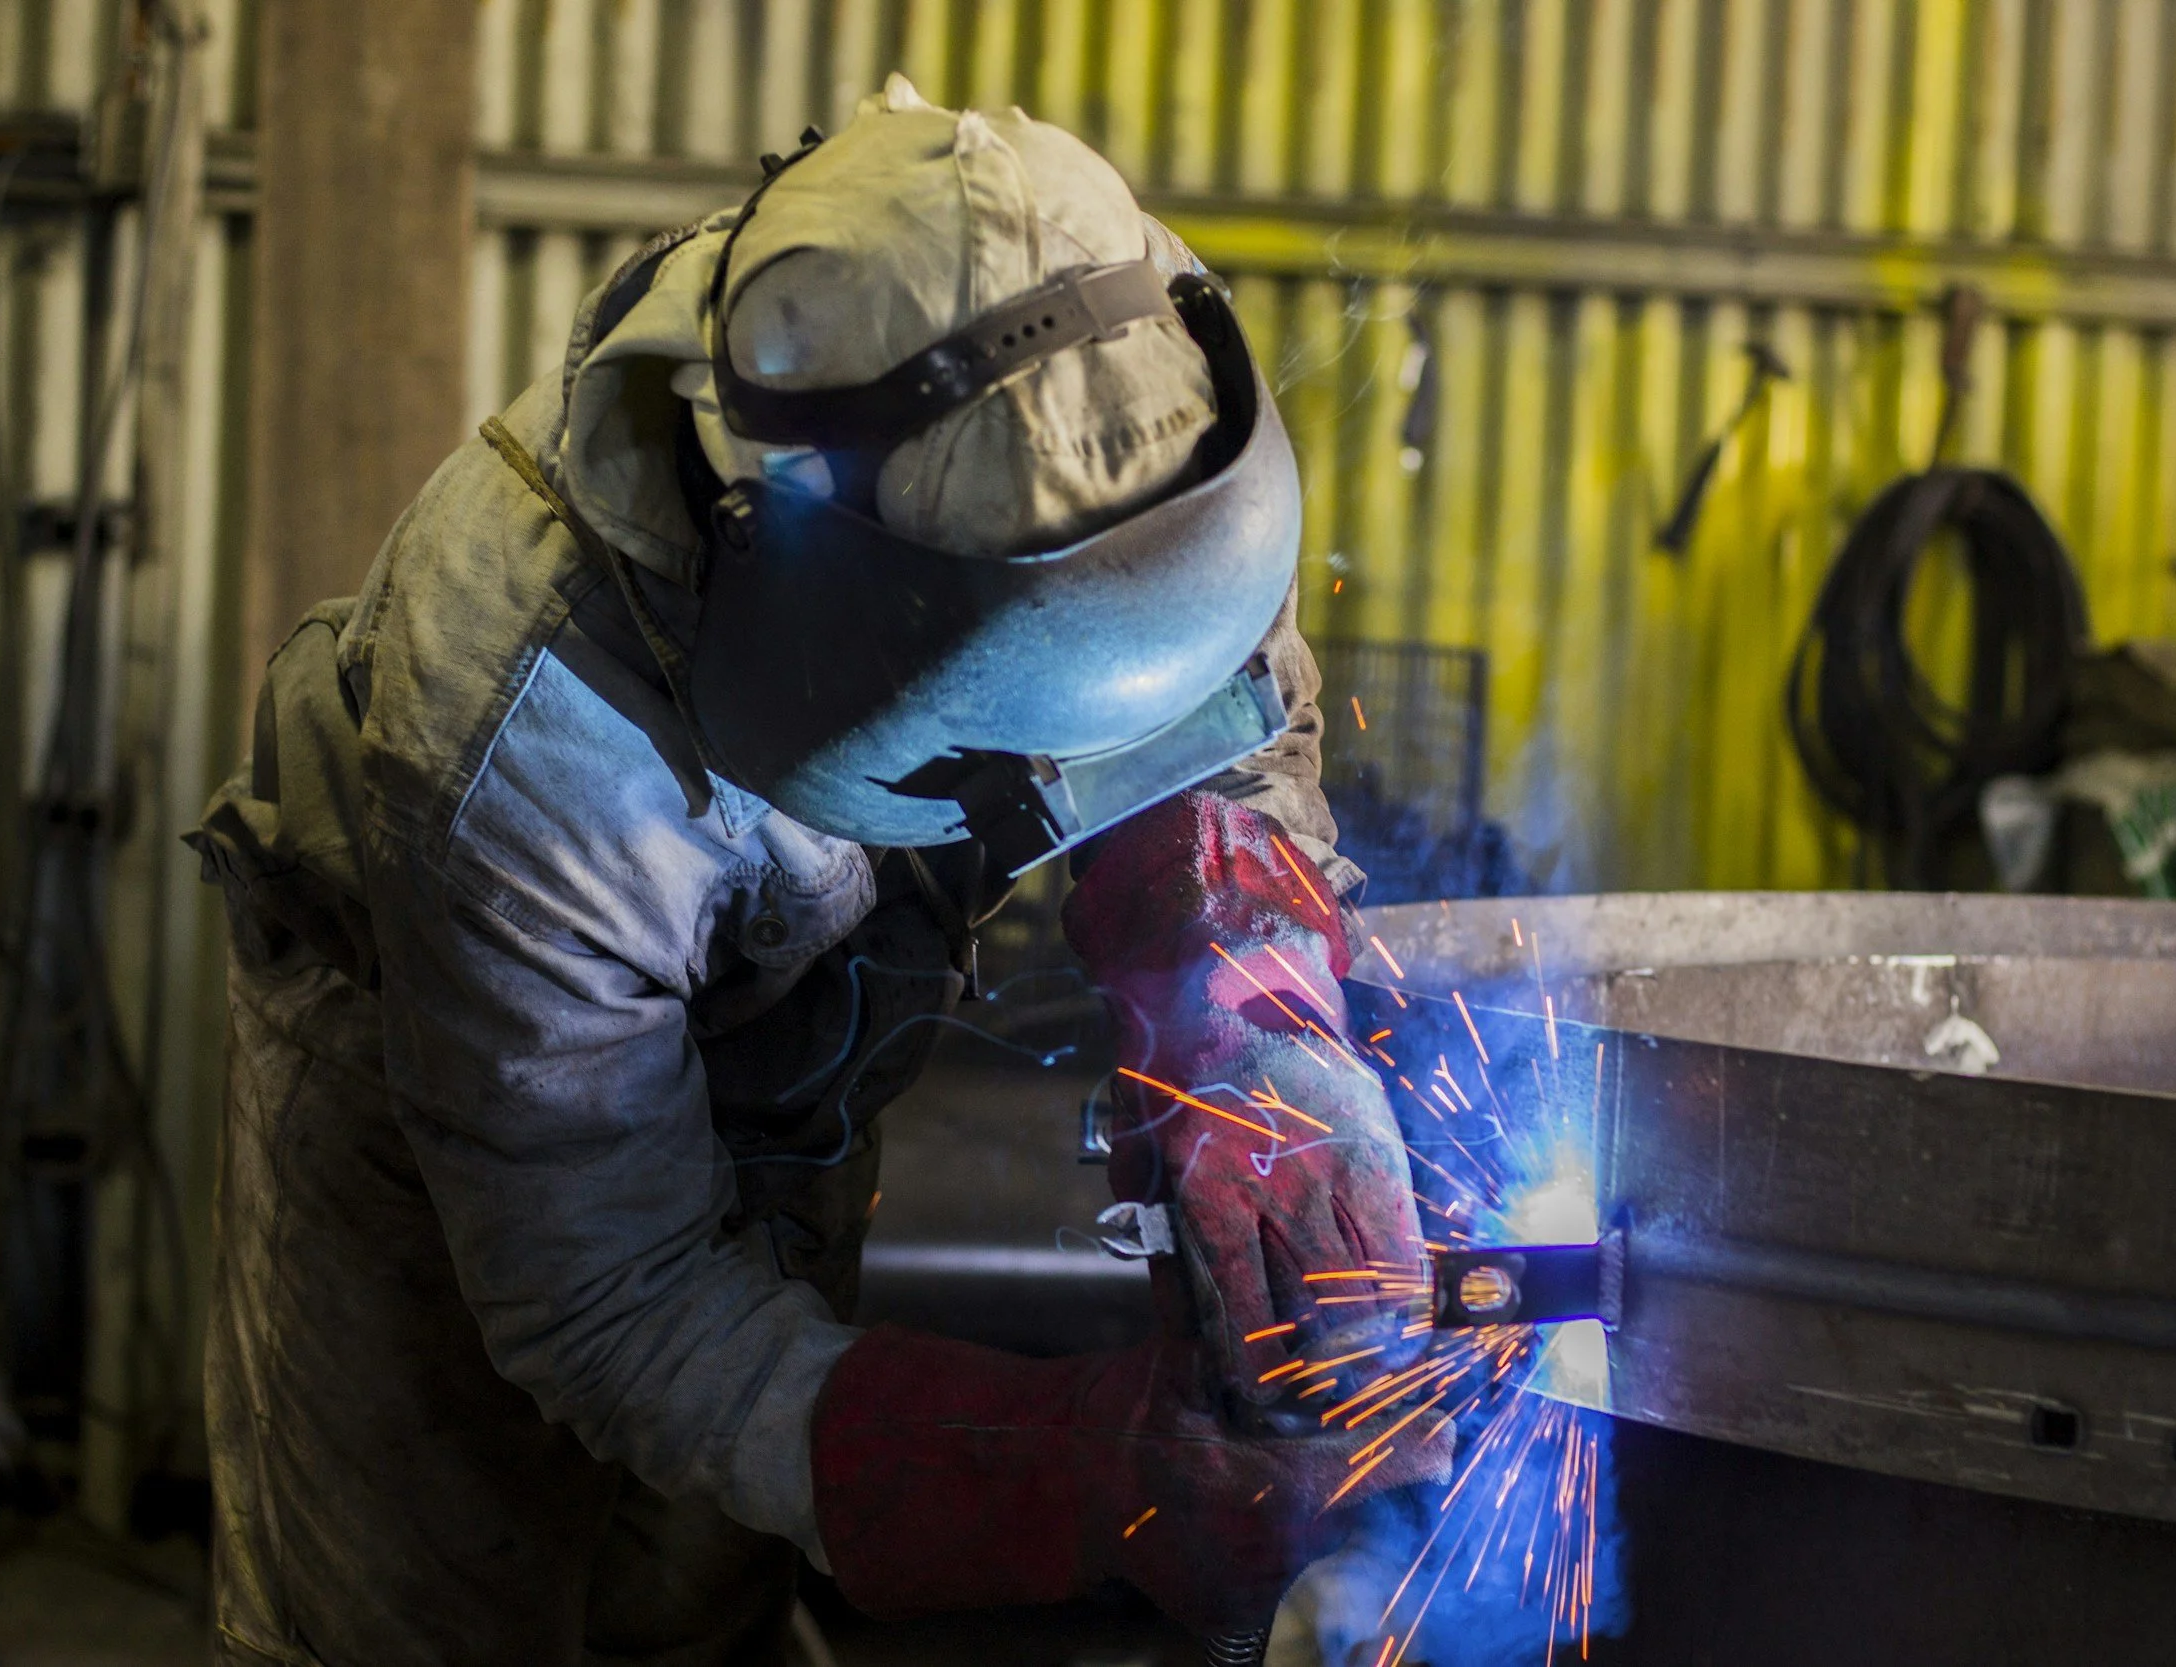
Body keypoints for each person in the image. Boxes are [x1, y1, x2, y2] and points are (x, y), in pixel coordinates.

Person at [190, 77, 1440, 1665]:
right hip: (416, 1056)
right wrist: (1072, 1475)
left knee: (701, 1588)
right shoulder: (524, 739)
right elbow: (620, 1301)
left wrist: (1251, 1022)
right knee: (425, 1608)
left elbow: (1204, 715)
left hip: (789, 1029)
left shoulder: (1119, 351)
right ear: (838, 618)